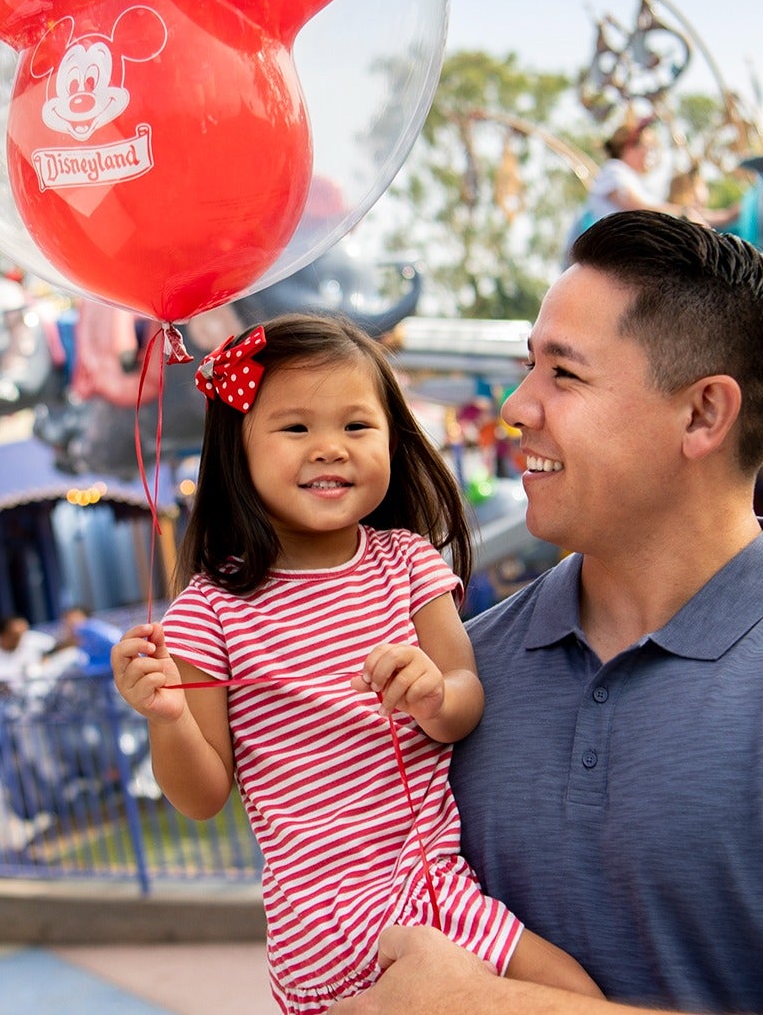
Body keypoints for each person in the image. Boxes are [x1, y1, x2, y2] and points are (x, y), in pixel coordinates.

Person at [334, 211, 763, 1014]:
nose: (517, 408)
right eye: (528, 367)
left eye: (563, 375)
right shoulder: (453, 677)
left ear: (705, 414)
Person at [111, 314, 600, 1014]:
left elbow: (465, 701)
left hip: (432, 884)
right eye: (296, 428)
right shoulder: (211, 610)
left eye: (356, 427)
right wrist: (166, 717)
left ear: (392, 441)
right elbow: (200, 796)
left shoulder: (405, 562)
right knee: (567, 995)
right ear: (238, 448)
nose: (330, 450)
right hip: (324, 921)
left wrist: (435, 695)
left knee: (572, 995)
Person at [0, 616, 59, 687]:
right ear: (2, 635)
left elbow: (59, 646)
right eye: (15, 635)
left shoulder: (28, 639)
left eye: (22, 633)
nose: (19, 638)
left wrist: (43, 662)